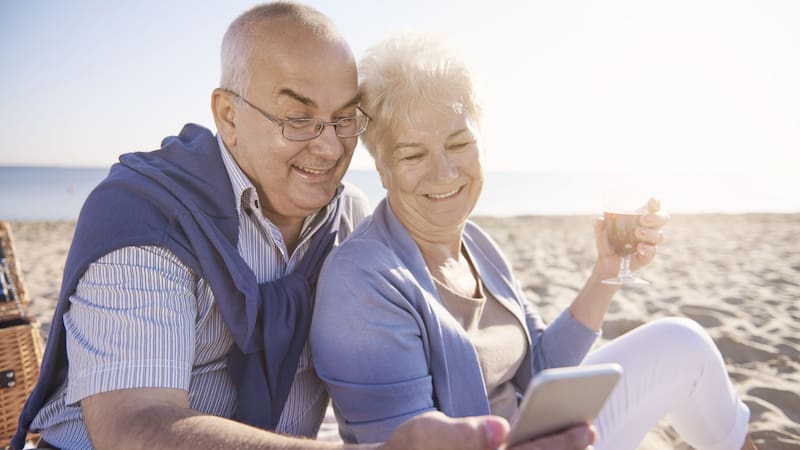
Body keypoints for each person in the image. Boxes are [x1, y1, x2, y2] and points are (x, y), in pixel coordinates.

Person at [10, 4, 557, 450]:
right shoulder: (148, 221)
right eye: (297, 119)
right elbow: (135, 429)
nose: (327, 145)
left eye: (345, 118)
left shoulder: (349, 222)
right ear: (228, 115)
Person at [310, 34, 758, 450]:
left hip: (539, 431)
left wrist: (605, 273)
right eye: (412, 154)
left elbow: (543, 367)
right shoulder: (362, 283)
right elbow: (407, 442)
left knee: (683, 344)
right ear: (382, 169)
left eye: (458, 143)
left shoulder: (478, 245)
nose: (444, 172)